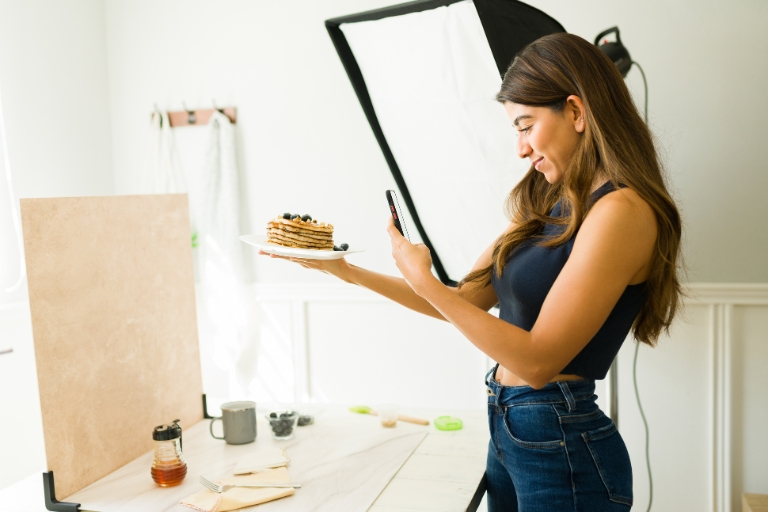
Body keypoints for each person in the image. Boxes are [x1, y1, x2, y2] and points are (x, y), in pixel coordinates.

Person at [261, 32, 682, 511]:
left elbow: (539, 362)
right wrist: (346, 271)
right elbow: (463, 300)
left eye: (526, 126)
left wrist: (424, 281)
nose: (521, 149)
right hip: (509, 428)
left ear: (577, 111)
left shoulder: (622, 212)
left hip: (562, 442)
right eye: (515, 131)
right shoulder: (545, 201)